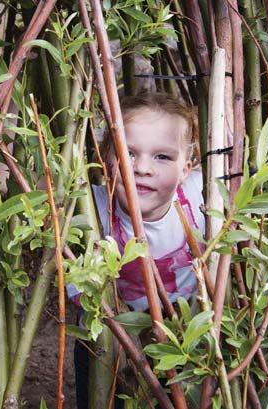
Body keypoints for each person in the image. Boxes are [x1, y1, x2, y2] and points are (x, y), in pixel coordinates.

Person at [72, 93, 205, 408]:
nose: (142, 168)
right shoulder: (90, 208)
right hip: (112, 333)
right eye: (128, 153)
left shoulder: (202, 198)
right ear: (106, 159)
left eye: (162, 157)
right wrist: (124, 341)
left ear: (185, 169)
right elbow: (80, 291)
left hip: (184, 330)